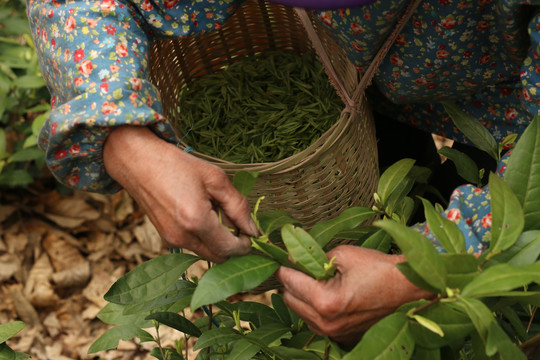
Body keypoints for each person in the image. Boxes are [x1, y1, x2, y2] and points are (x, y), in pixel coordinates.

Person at [26, 0, 539, 344]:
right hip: (361, 87)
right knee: (374, 243)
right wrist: (126, 141)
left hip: (512, 105)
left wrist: (437, 270)